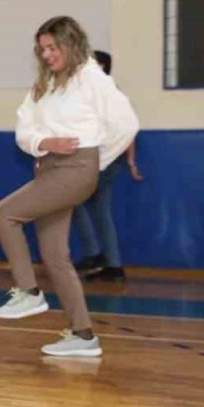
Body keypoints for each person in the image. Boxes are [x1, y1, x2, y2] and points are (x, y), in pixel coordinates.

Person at [0, 17, 138, 357]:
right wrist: (45, 142)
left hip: (75, 168)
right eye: (42, 49)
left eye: (53, 47)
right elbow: (23, 131)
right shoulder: (43, 85)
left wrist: (92, 162)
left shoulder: (91, 77)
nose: (47, 55)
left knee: (3, 214)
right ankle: (84, 336)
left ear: (71, 44)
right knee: (56, 256)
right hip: (49, 168)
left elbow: (126, 123)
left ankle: (29, 292)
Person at [72, 50, 144, 282]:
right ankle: (113, 265)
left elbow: (128, 128)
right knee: (101, 211)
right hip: (104, 160)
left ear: (101, 66)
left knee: (72, 200)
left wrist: (131, 161)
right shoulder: (98, 93)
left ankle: (94, 254)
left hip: (104, 160)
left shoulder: (107, 93)